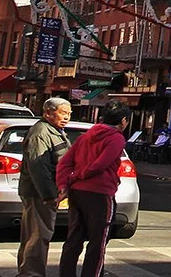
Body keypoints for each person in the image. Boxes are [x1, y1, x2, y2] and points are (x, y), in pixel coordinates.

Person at [57, 104, 128, 277]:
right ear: (123, 121)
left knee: (74, 237)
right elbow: (101, 164)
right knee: (99, 240)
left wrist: (64, 184)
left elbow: (65, 162)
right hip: (100, 192)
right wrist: (79, 175)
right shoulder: (116, 138)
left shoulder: (85, 136)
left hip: (77, 192)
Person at [18, 97, 73, 277]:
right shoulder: (41, 132)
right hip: (38, 194)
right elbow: (38, 168)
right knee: (38, 235)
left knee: (35, 235)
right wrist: (49, 195)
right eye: (63, 113)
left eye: (69, 114)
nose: (66, 117)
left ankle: (29, 271)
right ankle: (31, 273)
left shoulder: (54, 131)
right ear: (48, 112)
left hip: (44, 192)